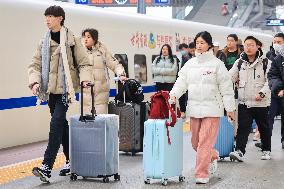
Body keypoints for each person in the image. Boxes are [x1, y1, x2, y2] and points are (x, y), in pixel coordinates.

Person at [28, 6, 92, 183]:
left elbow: (84, 63)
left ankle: (47, 167)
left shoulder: (72, 40)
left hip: (65, 90)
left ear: (60, 18)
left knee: (55, 125)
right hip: (50, 92)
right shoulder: (44, 41)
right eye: (46, 16)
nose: (47, 19)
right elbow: (34, 65)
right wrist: (34, 82)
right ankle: (72, 160)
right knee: (62, 127)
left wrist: (85, 79)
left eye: (51, 16)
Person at [170, 31, 235, 184]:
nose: (199, 46)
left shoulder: (217, 64)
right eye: (197, 43)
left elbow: (226, 88)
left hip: (212, 109)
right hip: (194, 108)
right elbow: (181, 82)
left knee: (204, 143)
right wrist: (173, 95)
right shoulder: (190, 64)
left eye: (202, 43)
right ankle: (213, 155)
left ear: (209, 45)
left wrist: (230, 109)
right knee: (195, 143)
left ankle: (201, 174)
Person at [229, 36, 272, 161]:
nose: (248, 47)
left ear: (258, 46)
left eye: (251, 45)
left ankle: (266, 150)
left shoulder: (265, 62)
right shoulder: (240, 62)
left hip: (261, 103)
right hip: (244, 102)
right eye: (246, 45)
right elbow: (230, 77)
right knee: (243, 127)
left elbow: (270, 81)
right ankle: (239, 151)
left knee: (263, 127)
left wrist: (262, 93)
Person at [82, 28, 126, 114]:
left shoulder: (102, 50)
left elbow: (114, 63)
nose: (85, 39)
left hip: (101, 92)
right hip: (86, 93)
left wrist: (121, 74)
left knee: (100, 119)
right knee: (87, 121)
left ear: (94, 39)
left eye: (88, 37)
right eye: (84, 37)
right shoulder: (80, 52)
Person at [267, 33, 284, 149]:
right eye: (275, 42)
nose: (276, 44)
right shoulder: (275, 57)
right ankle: (266, 142)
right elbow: (272, 75)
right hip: (275, 92)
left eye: (279, 42)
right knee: (268, 117)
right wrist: (279, 88)